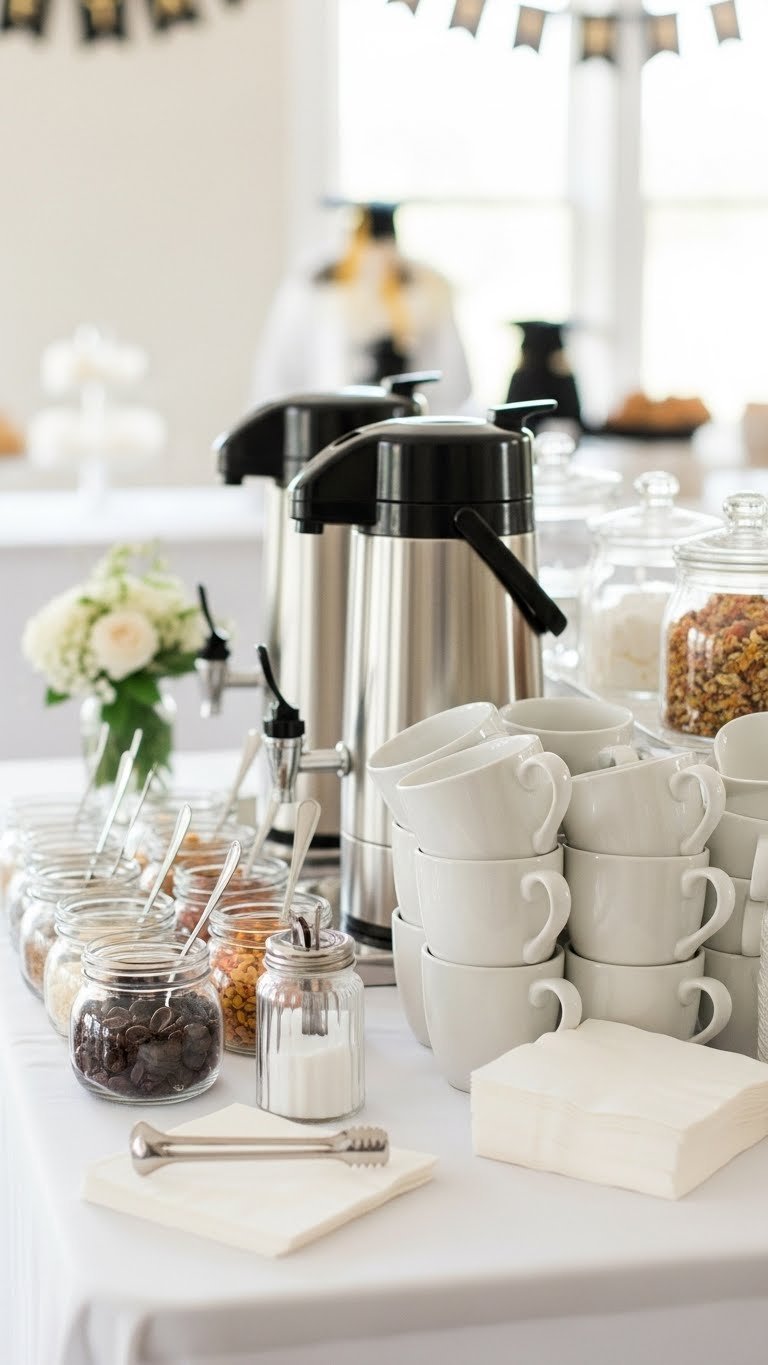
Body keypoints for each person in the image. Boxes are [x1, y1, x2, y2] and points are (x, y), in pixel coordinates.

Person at [249, 203, 472, 414]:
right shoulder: (316, 289)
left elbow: (453, 381)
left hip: (406, 425)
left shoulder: (427, 288)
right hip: (331, 424)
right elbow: (279, 374)